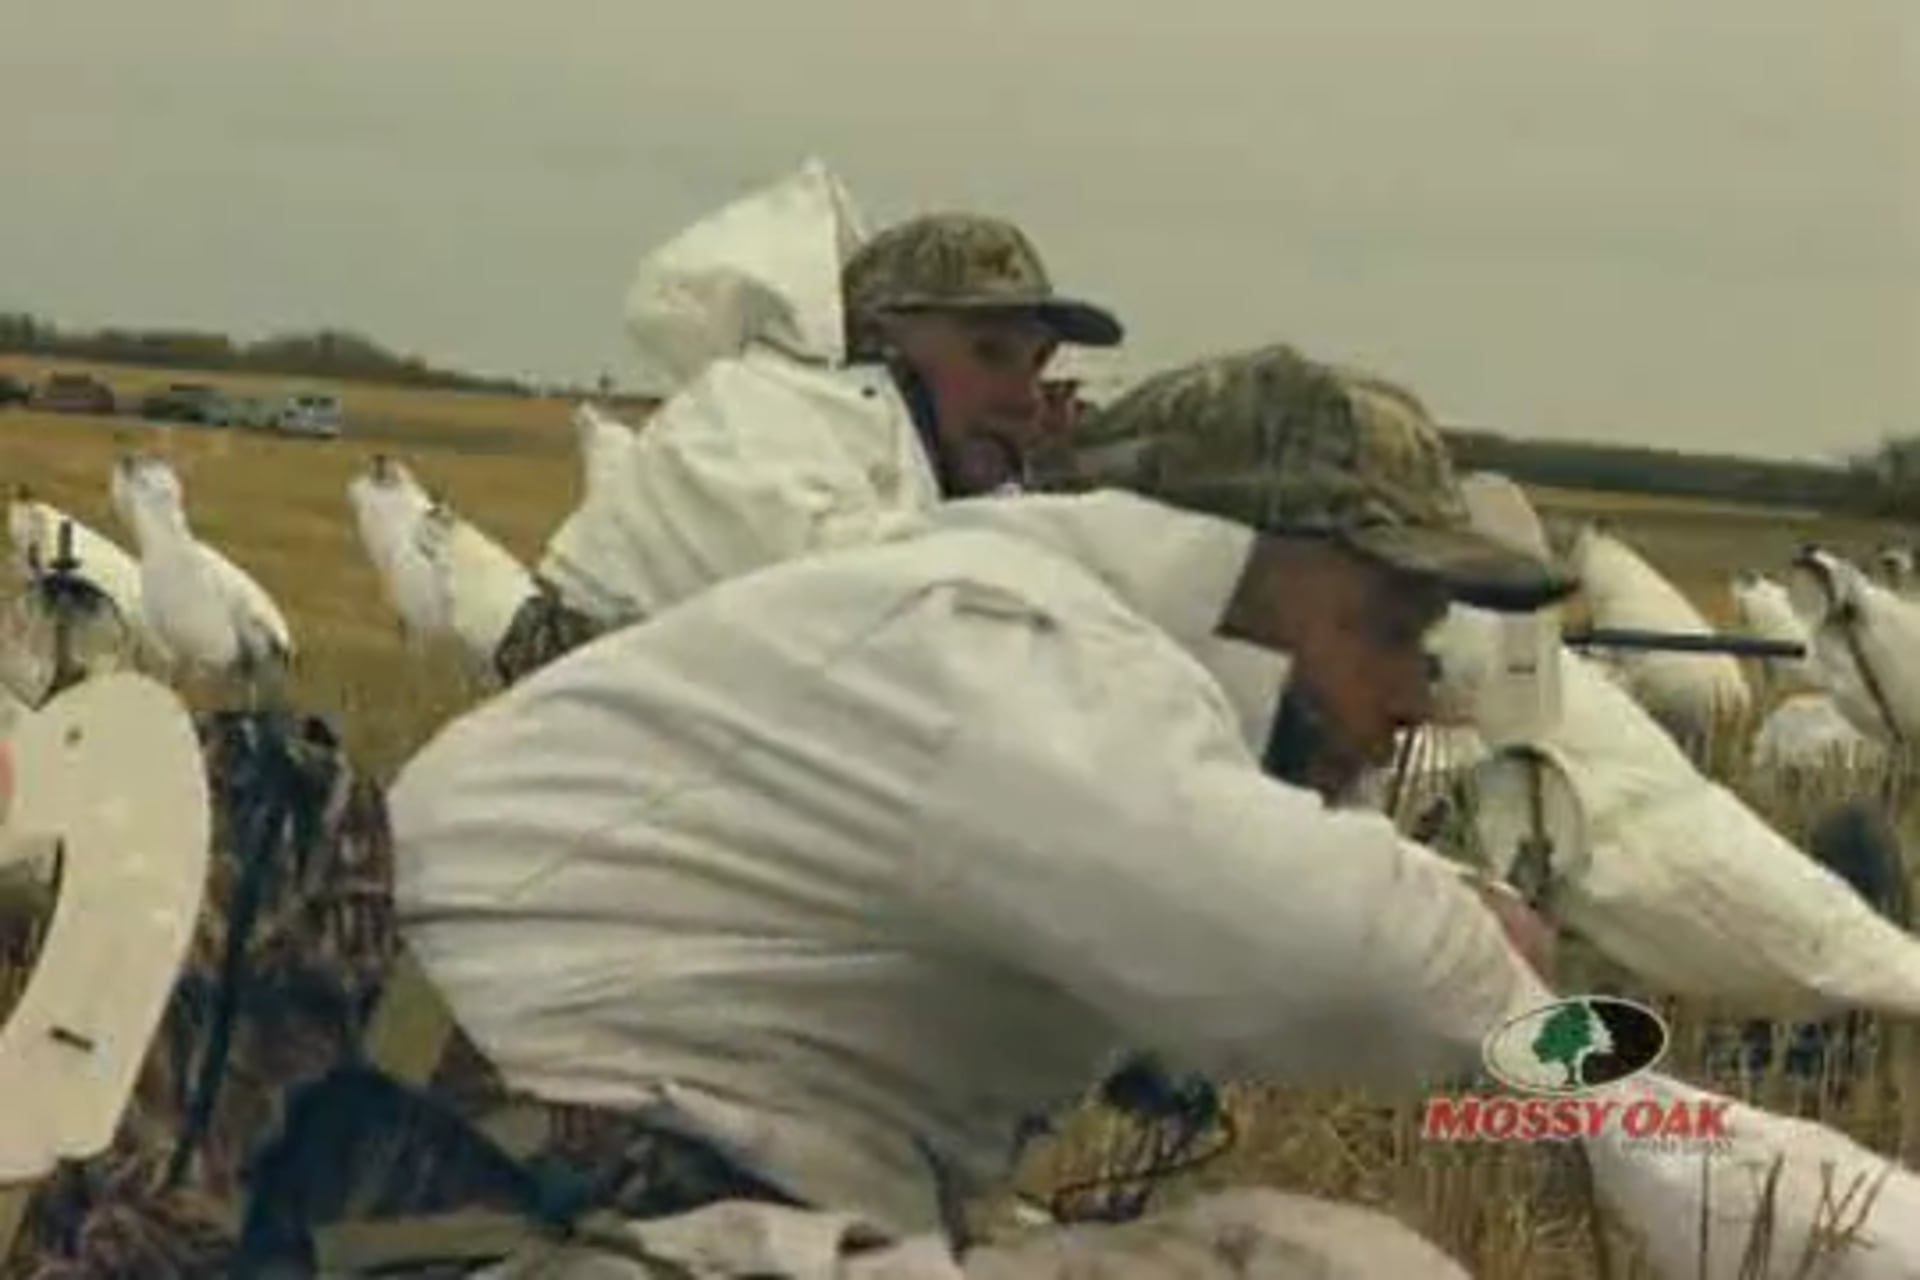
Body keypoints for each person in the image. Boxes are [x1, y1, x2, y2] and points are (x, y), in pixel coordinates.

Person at [248, 343, 1574, 1276]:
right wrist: (1494, 956)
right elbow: (1322, 950)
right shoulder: (1002, 640)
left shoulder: (987, 635)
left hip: (538, 1201)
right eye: (1386, 628)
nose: (1415, 694)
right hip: (498, 1220)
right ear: (1232, 573)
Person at [492, 202, 1126, 685]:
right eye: (990, 353)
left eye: (1037, 362)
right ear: (882, 342)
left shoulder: (899, 466)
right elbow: (877, 623)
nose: (1026, 398)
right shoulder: (751, 421)